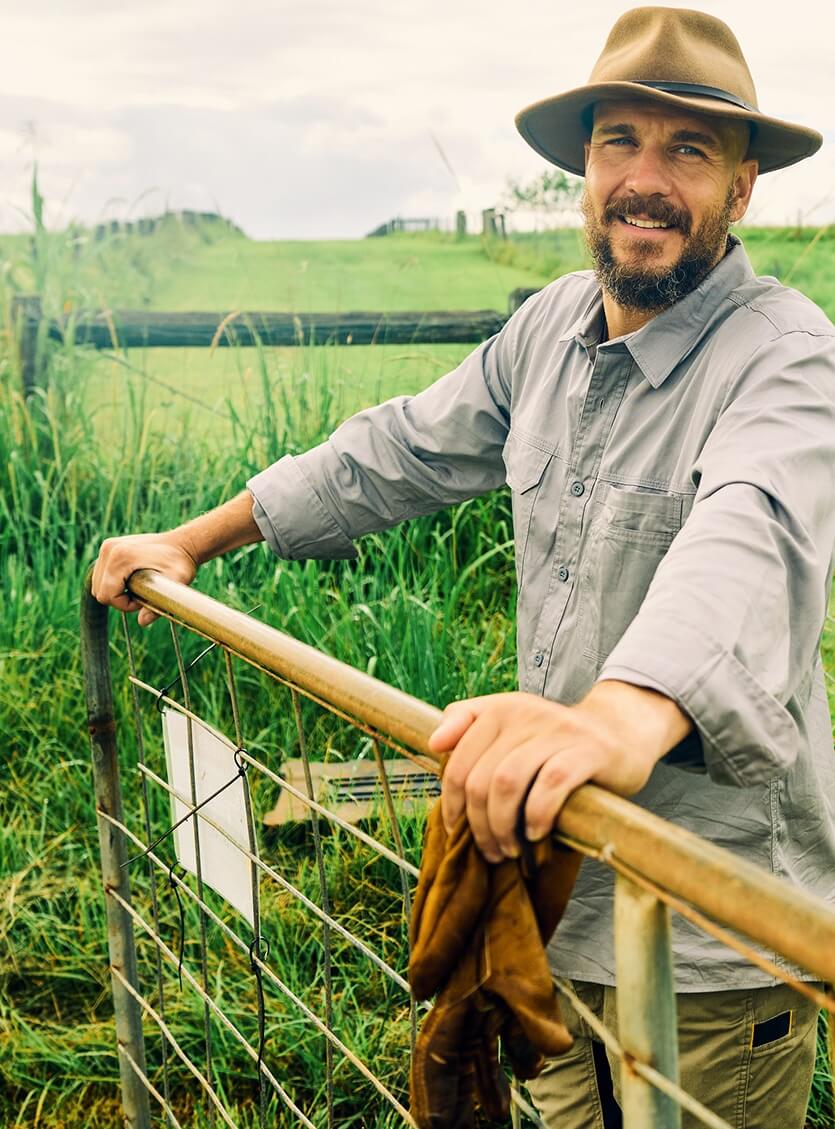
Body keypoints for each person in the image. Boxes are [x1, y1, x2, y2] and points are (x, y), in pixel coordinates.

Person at [92, 7, 835, 1126]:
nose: (646, 178)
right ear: (582, 169)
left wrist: (616, 717)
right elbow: (392, 450)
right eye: (619, 141)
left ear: (740, 189)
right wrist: (193, 541)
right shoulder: (545, 332)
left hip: (705, 931)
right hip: (550, 884)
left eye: (688, 150)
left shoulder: (784, 357)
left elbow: (753, 526)